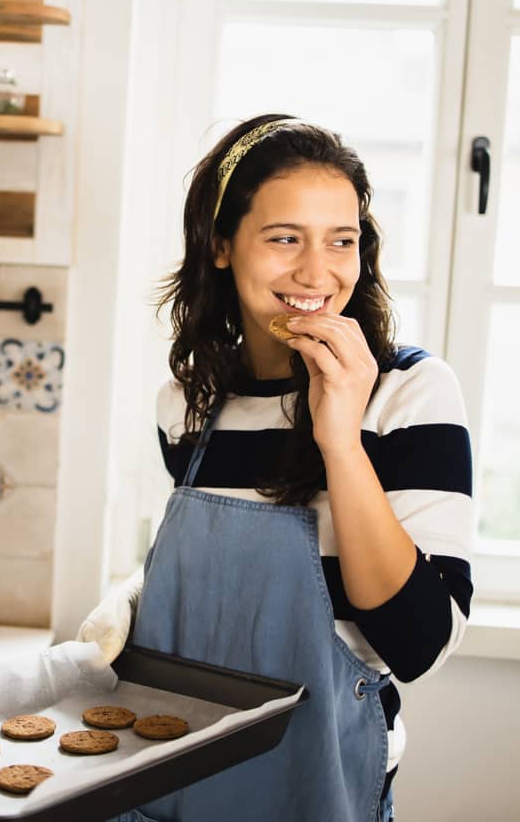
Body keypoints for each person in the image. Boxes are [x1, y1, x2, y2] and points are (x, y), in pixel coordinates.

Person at [78, 114, 473, 822]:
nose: (317, 272)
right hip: (172, 775)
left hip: (317, 784)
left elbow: (419, 644)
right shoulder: (189, 405)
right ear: (223, 245)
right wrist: (131, 601)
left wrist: (341, 439)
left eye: (341, 241)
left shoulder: (410, 393)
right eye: (286, 237)